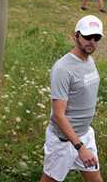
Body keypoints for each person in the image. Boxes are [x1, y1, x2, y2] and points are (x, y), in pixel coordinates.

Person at [41, 15, 104, 182]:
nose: (92, 41)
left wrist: (83, 143)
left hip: (85, 135)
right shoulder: (63, 68)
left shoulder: (89, 60)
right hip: (64, 142)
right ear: (75, 35)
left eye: (96, 37)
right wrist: (80, 147)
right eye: (87, 36)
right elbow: (58, 115)